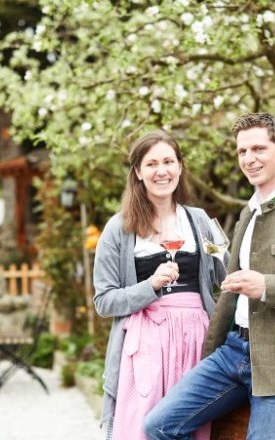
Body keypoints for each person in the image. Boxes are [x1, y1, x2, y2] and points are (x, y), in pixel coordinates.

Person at [143, 113, 275, 440]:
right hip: (233, 352)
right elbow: (230, 293)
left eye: (258, 149)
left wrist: (267, 286)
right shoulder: (248, 212)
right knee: (158, 426)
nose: (249, 159)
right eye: (242, 151)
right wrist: (210, 352)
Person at [93, 131, 226, 440]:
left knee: (190, 425)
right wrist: (149, 286)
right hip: (147, 344)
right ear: (138, 172)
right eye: (151, 164)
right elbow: (104, 301)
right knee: (146, 427)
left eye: (169, 161)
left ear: (180, 167)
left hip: (197, 339)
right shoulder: (119, 229)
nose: (161, 171)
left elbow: (226, 272)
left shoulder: (200, 221)